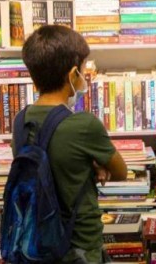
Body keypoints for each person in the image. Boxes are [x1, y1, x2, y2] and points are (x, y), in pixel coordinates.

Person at [18, 25, 128, 263]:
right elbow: (121, 172)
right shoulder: (84, 125)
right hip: (79, 244)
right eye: (83, 69)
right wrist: (96, 166)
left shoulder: (20, 121)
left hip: (36, 241)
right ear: (72, 74)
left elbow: (50, 165)